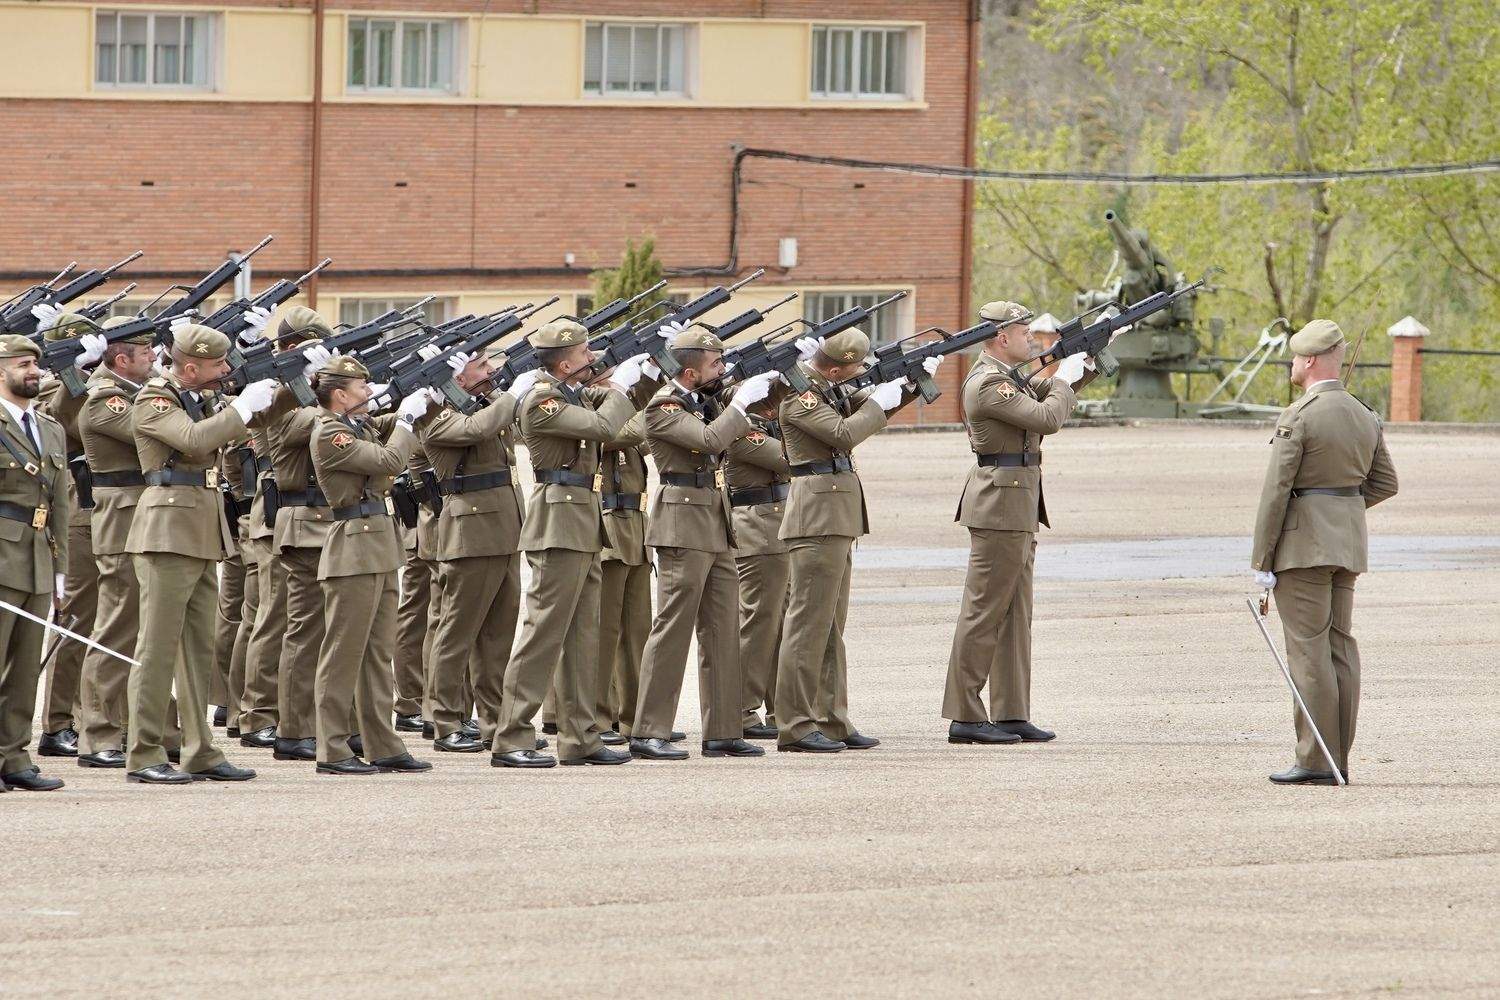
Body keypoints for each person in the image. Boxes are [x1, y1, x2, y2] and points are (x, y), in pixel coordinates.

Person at [488, 319, 652, 768]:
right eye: (584, 355)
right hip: (558, 521)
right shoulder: (543, 398)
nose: (592, 360)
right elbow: (603, 425)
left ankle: (581, 736)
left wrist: (644, 374)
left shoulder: (567, 391)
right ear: (564, 362)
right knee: (542, 634)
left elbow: (602, 407)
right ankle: (512, 736)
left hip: (582, 520)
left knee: (583, 635)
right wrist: (621, 386)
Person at [123, 323, 279, 784]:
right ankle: (145, 752)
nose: (225, 372)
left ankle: (200, 751)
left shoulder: (198, 398)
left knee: (197, 648)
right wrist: (242, 409)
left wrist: (281, 391)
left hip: (200, 530)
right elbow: (193, 441)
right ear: (189, 368)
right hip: (167, 531)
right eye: (216, 366)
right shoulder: (154, 400)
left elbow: (234, 430)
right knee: (156, 647)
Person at [1251, 319, 1398, 785]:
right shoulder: (1364, 414)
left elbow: (1276, 492)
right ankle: (1339, 758)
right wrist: (1341, 510)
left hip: (1302, 549)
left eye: (1296, 357)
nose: (1294, 364)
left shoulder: (1299, 414)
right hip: (1347, 545)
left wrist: (1262, 560)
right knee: (1340, 649)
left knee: (1308, 653)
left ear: (1310, 360)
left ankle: (1315, 760)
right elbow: (1384, 483)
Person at [943, 301, 1093, 745]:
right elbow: (1048, 417)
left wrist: (1084, 361)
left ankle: (1010, 711)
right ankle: (965, 714)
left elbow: (1050, 400)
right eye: (1024, 331)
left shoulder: (1008, 378)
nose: (1032, 338)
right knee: (984, 610)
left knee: (1014, 613)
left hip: (1017, 502)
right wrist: (1064, 376)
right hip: (999, 505)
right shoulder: (988, 383)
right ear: (1000, 337)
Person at [773, 329, 929, 753]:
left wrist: (909, 387)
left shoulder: (828, 388)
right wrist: (880, 400)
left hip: (835, 515)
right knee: (807, 626)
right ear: (837, 367)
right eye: (858, 368)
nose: (862, 375)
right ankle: (796, 726)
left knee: (830, 628)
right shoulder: (800, 397)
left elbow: (866, 411)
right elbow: (844, 433)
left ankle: (831, 719)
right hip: (817, 516)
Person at [629, 330, 778, 761]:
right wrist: (740, 403)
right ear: (690, 372)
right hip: (682, 523)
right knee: (673, 628)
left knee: (722, 629)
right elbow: (711, 440)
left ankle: (723, 729)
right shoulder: (663, 406)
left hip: (715, 521)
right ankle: (649, 730)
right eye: (715, 365)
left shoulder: (701, 401)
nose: (723, 371)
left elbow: (736, 420)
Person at [306, 355, 436, 775]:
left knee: (377, 654)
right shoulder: (330, 432)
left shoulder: (355, 424)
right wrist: (408, 422)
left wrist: (427, 394)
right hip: (352, 547)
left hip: (379, 543)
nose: (370, 392)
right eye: (362, 387)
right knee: (343, 654)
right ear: (340, 395)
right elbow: (388, 461)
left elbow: (390, 422)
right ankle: (333, 747)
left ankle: (383, 743)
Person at [419, 352, 538, 753]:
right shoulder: (437, 412)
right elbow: (477, 429)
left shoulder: (483, 404)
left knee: (497, 636)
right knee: (456, 634)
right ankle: (445, 720)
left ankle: (494, 721)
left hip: (504, 531)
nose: (491, 373)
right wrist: (513, 395)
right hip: (470, 535)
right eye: (482, 366)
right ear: (456, 375)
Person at [74, 320, 174, 768]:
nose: (154, 360)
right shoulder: (103, 398)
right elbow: (153, 430)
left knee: (147, 628)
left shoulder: (134, 393)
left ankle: (143, 725)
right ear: (121, 361)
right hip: (121, 515)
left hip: (146, 512)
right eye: (147, 355)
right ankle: (99, 733)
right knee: (117, 624)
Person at [0, 334, 73, 791]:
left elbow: (60, 501)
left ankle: (13, 756)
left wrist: (61, 564)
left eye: (35, 364)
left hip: (37, 556)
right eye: (22, 363)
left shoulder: (50, 427)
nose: (33, 371)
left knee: (26, 666)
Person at [724, 395, 791, 741]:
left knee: (778, 623)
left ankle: (780, 708)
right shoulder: (742, 430)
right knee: (758, 622)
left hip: (776, 528)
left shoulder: (766, 425)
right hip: (757, 531)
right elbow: (793, 459)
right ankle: (739, 709)